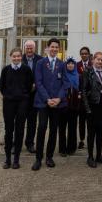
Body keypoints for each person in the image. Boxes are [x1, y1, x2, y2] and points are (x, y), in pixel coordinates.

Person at [32, 38, 68, 170]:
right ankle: (38, 159)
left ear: (59, 49)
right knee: (41, 128)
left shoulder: (61, 64)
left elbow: (65, 83)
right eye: (52, 47)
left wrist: (58, 98)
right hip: (43, 102)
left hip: (56, 103)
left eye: (56, 47)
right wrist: (48, 99)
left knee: (53, 130)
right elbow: (39, 83)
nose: (54, 49)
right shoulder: (41, 63)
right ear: (47, 48)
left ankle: (49, 157)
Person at [0, 47, 34, 169]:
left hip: (22, 103)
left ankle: (16, 160)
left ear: (21, 57)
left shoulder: (26, 69)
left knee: (19, 130)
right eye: (14, 56)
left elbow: (30, 85)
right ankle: (8, 159)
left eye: (18, 56)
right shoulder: (6, 70)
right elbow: (2, 87)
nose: (16, 58)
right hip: (8, 103)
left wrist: (24, 96)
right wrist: (8, 96)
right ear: (11, 57)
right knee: (8, 131)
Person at [82, 51, 102, 168]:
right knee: (91, 134)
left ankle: (99, 155)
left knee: (100, 133)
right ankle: (90, 157)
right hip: (92, 107)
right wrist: (87, 109)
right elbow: (83, 91)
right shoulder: (87, 72)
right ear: (93, 60)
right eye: (98, 59)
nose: (100, 62)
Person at [22, 40, 42, 153]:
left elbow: (42, 75)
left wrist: (36, 84)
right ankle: (16, 143)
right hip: (22, 96)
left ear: (34, 48)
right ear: (25, 48)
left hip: (35, 96)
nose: (29, 50)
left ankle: (30, 143)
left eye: (31, 48)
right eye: (27, 48)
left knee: (32, 121)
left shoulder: (40, 59)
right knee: (19, 121)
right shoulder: (20, 58)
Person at [58, 57, 80, 156]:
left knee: (72, 127)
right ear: (65, 65)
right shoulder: (62, 76)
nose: (70, 65)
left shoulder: (78, 76)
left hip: (74, 106)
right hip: (63, 105)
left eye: (72, 64)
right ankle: (62, 149)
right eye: (68, 64)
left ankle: (71, 148)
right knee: (62, 128)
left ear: (74, 65)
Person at [76, 46, 92, 149]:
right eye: (82, 53)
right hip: (80, 97)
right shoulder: (77, 65)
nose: (84, 55)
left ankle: (90, 139)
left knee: (90, 120)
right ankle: (81, 140)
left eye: (85, 53)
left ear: (89, 54)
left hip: (90, 97)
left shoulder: (93, 64)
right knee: (81, 121)